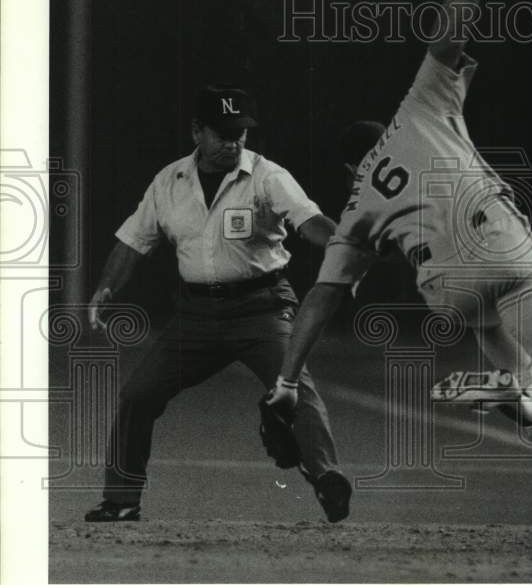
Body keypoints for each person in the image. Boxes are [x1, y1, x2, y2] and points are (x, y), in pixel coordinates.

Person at [273, 0, 532, 542]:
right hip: (493, 241)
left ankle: (521, 397)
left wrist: (287, 380)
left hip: (446, 293)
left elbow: (322, 297)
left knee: (505, 343)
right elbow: (449, 35)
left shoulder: (356, 203)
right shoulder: (417, 110)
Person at [83, 85, 352, 523]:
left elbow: (310, 221)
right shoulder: (169, 182)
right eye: (223, 132)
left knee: (295, 386)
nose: (233, 141)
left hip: (262, 309)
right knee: (138, 394)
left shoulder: (268, 176)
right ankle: (121, 499)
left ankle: (327, 479)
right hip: (196, 318)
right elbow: (133, 241)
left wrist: (344, 250)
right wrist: (106, 289)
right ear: (197, 132)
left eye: (241, 132)